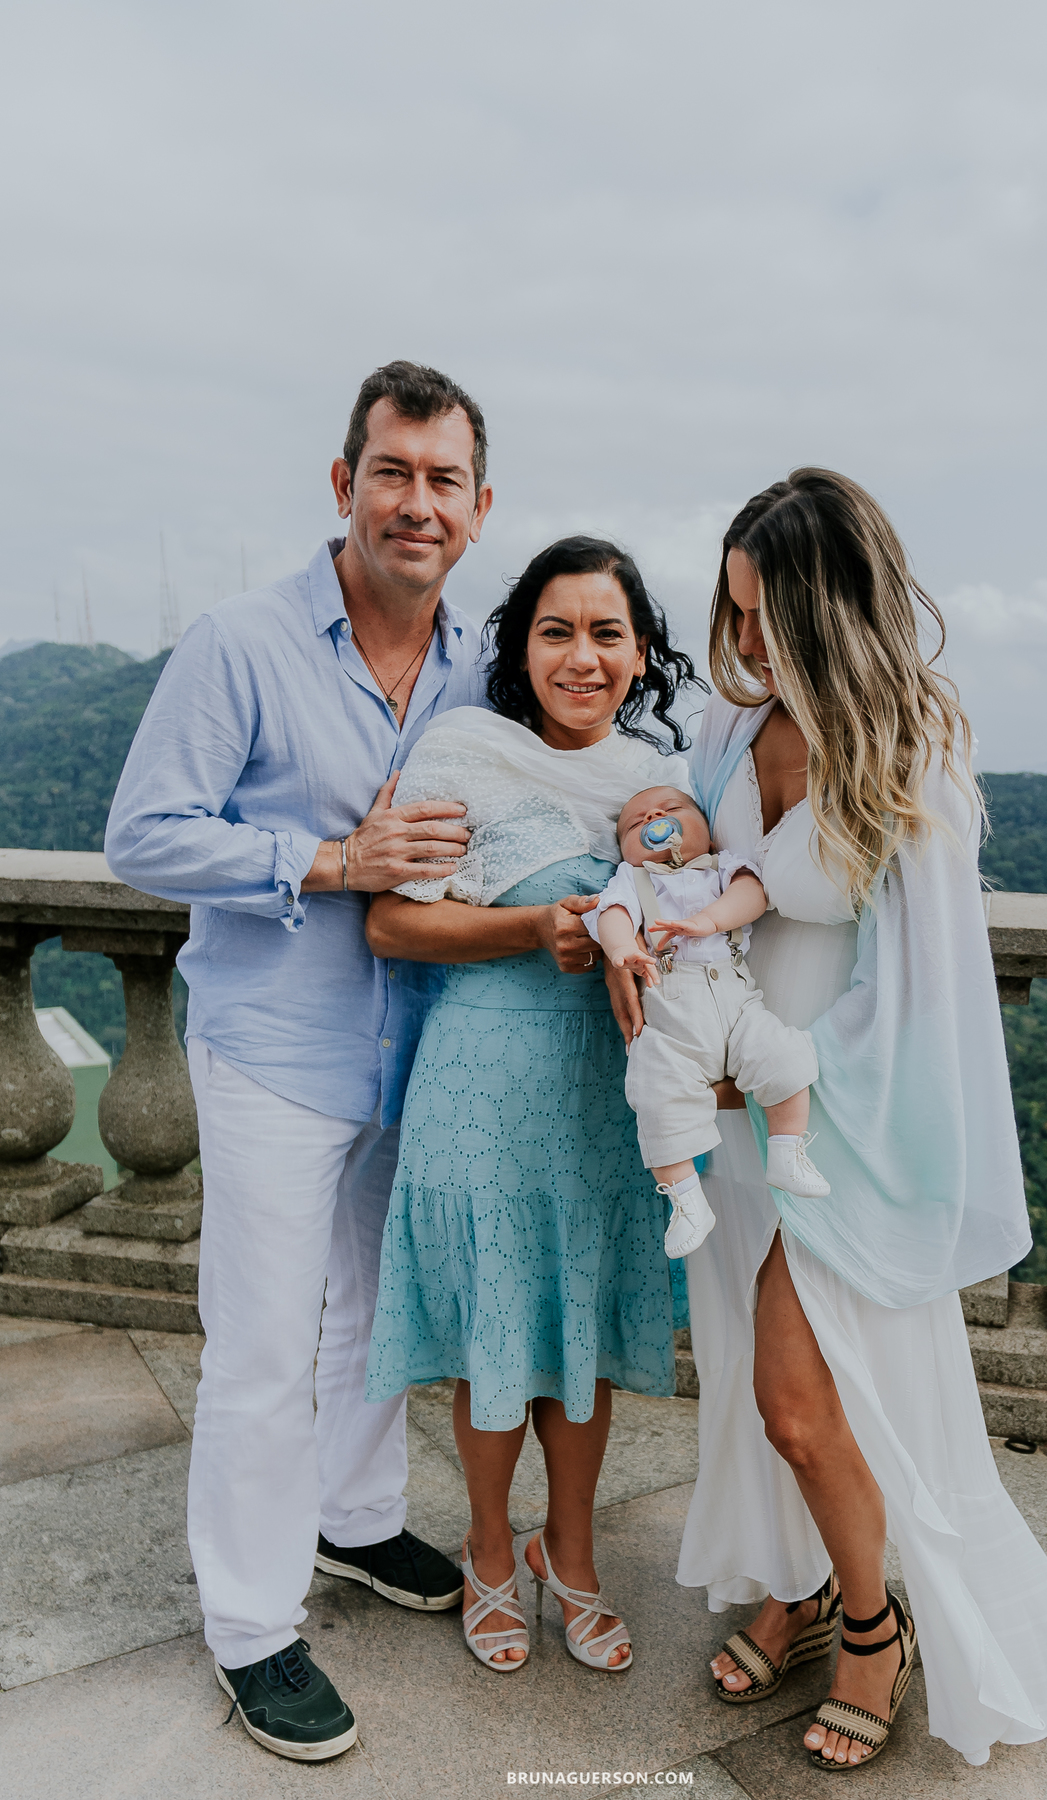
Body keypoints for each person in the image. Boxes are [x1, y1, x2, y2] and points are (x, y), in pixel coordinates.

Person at [608, 470, 1047, 1772]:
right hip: (735, 1105)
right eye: (737, 617)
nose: (750, 643)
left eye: (769, 615)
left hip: (849, 1118)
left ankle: (875, 1626)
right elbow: (699, 863)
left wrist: (768, 1078)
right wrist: (649, 858)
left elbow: (923, 993)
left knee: (803, 1399)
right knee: (753, 1386)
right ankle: (803, 1578)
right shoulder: (731, 728)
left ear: (833, 609)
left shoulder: (909, 749)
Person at [104, 361, 495, 1762]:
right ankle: (251, 1627)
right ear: (345, 485)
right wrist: (330, 860)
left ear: (479, 505)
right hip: (274, 1043)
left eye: (443, 479)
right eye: (393, 472)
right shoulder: (241, 643)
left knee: (377, 1311)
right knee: (265, 1346)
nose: (416, 502)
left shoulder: (480, 660)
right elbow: (143, 835)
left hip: (418, 1044)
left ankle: (356, 1518)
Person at [363, 536, 693, 1676]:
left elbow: (691, 887)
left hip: (611, 1097)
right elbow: (392, 922)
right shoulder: (463, 752)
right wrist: (524, 928)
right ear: (520, 647)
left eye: (608, 632)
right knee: (494, 1328)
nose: (583, 655)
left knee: (585, 1333)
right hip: (482, 1086)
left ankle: (576, 1551)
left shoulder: (660, 776)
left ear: (640, 652)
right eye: (557, 630)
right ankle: (492, 1548)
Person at [585, 784, 826, 1258]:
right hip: (671, 1015)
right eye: (636, 822)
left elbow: (752, 894)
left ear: (709, 834)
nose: (655, 815)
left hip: (737, 1004)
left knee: (787, 1055)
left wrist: (709, 921)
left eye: (672, 809)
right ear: (626, 851)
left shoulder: (723, 866)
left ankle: (787, 1149)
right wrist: (622, 951)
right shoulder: (632, 881)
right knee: (656, 1096)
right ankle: (686, 1200)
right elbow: (610, 915)